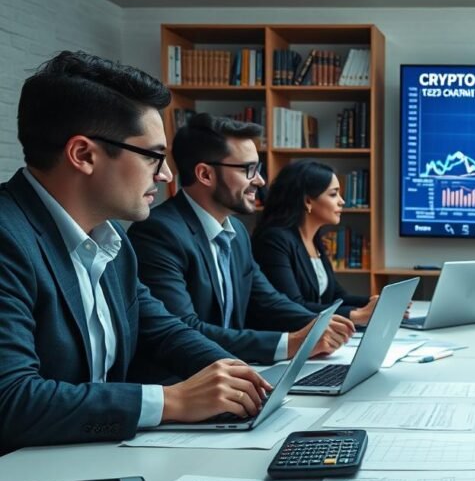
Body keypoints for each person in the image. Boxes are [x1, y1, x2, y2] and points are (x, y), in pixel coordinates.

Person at [0, 51, 272, 453]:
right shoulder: (9, 238)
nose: (165, 175)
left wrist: (243, 381)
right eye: (153, 157)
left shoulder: (113, 240)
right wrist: (173, 401)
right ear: (84, 155)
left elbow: (163, 330)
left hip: (90, 458)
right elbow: (12, 400)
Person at [128, 114, 354, 364]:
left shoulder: (236, 231)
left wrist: (321, 325)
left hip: (237, 373)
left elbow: (268, 301)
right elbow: (185, 329)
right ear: (205, 174)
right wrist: (289, 343)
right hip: (183, 384)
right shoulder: (159, 233)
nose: (260, 180)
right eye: (249, 169)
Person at [252, 160, 376, 325]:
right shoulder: (273, 240)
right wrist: (356, 315)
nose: (342, 201)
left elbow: (335, 296)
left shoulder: (314, 239)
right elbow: (293, 306)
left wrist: (374, 303)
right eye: (333, 194)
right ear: (307, 201)